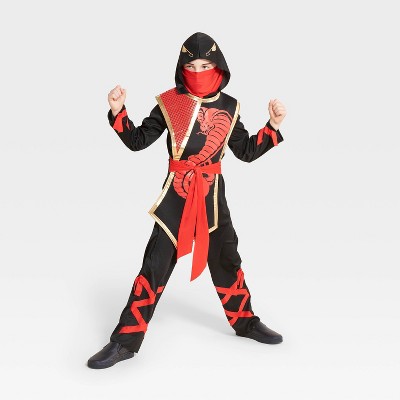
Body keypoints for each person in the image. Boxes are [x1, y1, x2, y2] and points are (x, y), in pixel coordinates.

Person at [87, 32, 287, 369]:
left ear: (218, 67)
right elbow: (137, 141)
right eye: (191, 66)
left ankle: (245, 322)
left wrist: (273, 126)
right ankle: (124, 342)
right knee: (154, 267)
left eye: (205, 65)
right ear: (182, 69)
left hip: (212, 199)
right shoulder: (171, 103)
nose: (198, 71)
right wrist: (118, 112)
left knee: (227, 261)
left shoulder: (230, 106)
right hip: (175, 200)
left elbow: (246, 152)